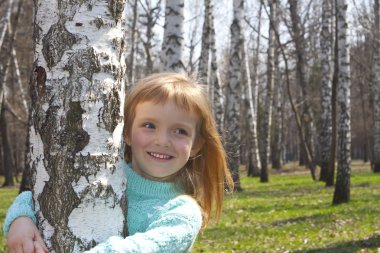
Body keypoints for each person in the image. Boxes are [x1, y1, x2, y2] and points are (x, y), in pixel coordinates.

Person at [3, 72, 234, 253]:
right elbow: (39, 195)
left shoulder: (182, 211)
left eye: (180, 131)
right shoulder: (105, 173)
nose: (162, 141)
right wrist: (20, 221)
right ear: (126, 133)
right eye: (149, 125)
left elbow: (141, 249)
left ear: (196, 145)